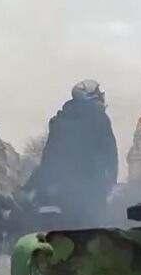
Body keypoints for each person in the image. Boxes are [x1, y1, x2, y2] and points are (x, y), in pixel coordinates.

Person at [24, 80, 118, 228]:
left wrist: (46, 185)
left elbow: (48, 157)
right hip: (90, 186)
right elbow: (110, 153)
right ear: (89, 96)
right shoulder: (100, 118)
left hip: (61, 190)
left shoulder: (58, 121)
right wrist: (110, 182)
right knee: (95, 231)